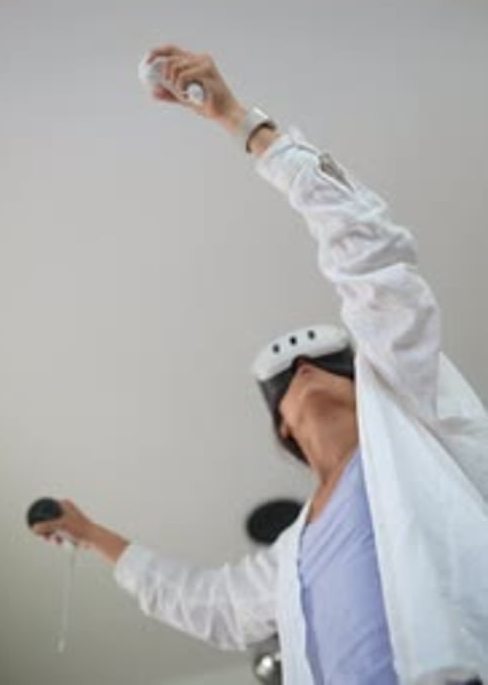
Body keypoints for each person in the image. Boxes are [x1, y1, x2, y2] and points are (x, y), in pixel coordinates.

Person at [32, 45, 488, 685]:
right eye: (290, 372)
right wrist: (88, 533)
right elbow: (204, 603)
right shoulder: (289, 553)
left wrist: (244, 125)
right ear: (283, 427)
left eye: (329, 361)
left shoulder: (413, 431)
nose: (305, 366)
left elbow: (369, 255)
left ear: (369, 381)